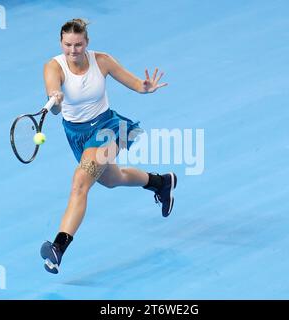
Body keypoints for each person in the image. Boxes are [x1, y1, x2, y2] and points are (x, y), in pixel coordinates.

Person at [40, 18, 177, 274]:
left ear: (87, 43)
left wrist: (145, 87)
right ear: (61, 43)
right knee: (113, 178)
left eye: (78, 45)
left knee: (80, 183)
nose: (73, 50)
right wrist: (56, 99)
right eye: (68, 45)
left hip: (108, 128)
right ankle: (161, 182)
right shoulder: (53, 67)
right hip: (77, 135)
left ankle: (58, 247)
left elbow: (136, 83)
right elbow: (55, 104)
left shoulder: (102, 60)